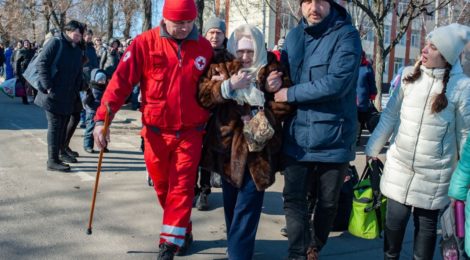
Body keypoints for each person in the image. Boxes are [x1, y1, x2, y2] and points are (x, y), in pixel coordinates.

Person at [92, 1, 213, 259]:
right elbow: (120, 82)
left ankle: (168, 245)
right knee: (162, 187)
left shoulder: (203, 46)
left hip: (191, 132)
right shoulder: (144, 43)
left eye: (189, 22)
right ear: (165, 19)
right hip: (156, 132)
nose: (184, 28)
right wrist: (102, 119)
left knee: (181, 187)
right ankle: (182, 230)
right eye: (178, 23)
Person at [366, 23, 470, 259]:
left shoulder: (462, 88)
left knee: (425, 231)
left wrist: (464, 178)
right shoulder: (407, 76)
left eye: (432, 47)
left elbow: (465, 136)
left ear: (446, 57)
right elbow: (390, 115)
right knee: (394, 225)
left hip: (434, 177)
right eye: (426, 44)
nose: (424, 50)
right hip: (399, 169)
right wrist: (373, 147)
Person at [273, 0, 362, 259]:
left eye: (321, 1)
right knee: (293, 199)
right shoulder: (293, 36)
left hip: (333, 138)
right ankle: (298, 252)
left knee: (327, 203)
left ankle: (315, 244)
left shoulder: (347, 35)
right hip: (297, 136)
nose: (314, 7)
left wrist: (290, 93)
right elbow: (284, 77)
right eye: (308, 2)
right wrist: (272, 79)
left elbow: (338, 83)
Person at [198, 23, 292, 260]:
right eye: (240, 51)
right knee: (232, 206)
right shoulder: (222, 65)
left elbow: (285, 104)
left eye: (250, 51)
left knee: (247, 208)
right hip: (226, 149)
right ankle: (237, 247)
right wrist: (228, 87)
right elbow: (203, 96)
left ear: (259, 48)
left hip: (258, 152)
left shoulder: (271, 69)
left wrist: (265, 99)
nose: (245, 57)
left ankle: (238, 255)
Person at [34, 20, 85, 172]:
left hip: (68, 95)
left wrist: (80, 87)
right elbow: (41, 63)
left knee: (62, 126)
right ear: (68, 31)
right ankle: (52, 160)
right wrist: (48, 85)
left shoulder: (76, 49)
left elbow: (77, 71)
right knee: (55, 127)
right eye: (77, 34)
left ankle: (60, 154)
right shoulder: (56, 43)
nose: (79, 37)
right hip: (52, 94)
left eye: (80, 35)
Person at [193, 16, 227, 211]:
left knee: (208, 153)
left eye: (218, 32)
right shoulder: (196, 52)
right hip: (196, 110)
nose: (215, 36)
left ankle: (204, 192)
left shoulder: (228, 56)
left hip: (218, 114)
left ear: (224, 35)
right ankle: (193, 190)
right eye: (211, 32)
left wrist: (223, 81)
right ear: (205, 34)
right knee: (193, 155)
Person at [356, 51, 377, 145]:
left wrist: (373, 94)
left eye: (360, 57)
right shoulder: (352, 65)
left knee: (360, 119)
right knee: (353, 118)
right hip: (351, 98)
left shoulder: (367, 67)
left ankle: (357, 139)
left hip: (362, 98)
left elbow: (372, 82)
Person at [14, 39, 35, 104]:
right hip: (23, 70)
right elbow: (17, 62)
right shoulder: (21, 51)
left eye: (27, 43)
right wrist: (17, 72)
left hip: (32, 70)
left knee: (34, 84)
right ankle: (24, 100)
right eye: (25, 43)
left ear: (30, 44)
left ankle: (35, 99)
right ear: (23, 44)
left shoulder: (33, 51)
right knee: (23, 86)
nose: (26, 44)